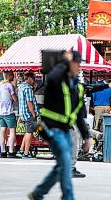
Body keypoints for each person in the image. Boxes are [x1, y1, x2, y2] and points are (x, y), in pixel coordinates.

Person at [28, 51, 90, 200]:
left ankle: (38, 193)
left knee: (62, 165)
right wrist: (64, 62)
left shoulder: (77, 87)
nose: (79, 67)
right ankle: (68, 197)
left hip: (66, 132)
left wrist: (86, 137)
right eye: (77, 63)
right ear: (70, 64)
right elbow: (53, 75)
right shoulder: (56, 81)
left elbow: (79, 116)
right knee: (65, 164)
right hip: (52, 130)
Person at [17, 72, 39, 159]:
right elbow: (29, 102)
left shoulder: (21, 87)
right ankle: (26, 153)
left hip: (23, 113)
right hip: (29, 113)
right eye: (34, 78)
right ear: (29, 78)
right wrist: (33, 113)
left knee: (27, 132)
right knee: (29, 133)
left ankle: (21, 150)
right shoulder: (28, 88)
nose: (34, 80)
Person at [0, 71, 18, 158]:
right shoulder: (9, 86)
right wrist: (15, 88)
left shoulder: (0, 85)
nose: (13, 77)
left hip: (1, 112)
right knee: (12, 131)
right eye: (12, 75)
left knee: (2, 131)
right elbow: (15, 99)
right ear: (9, 76)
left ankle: (2, 151)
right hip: (9, 111)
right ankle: (10, 150)